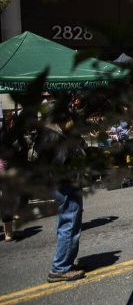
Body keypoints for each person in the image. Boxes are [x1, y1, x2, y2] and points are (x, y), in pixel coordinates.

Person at [35, 119, 87, 282]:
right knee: (69, 224)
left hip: (62, 185)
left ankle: (66, 264)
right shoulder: (56, 137)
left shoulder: (51, 133)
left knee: (68, 224)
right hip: (66, 186)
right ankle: (60, 267)